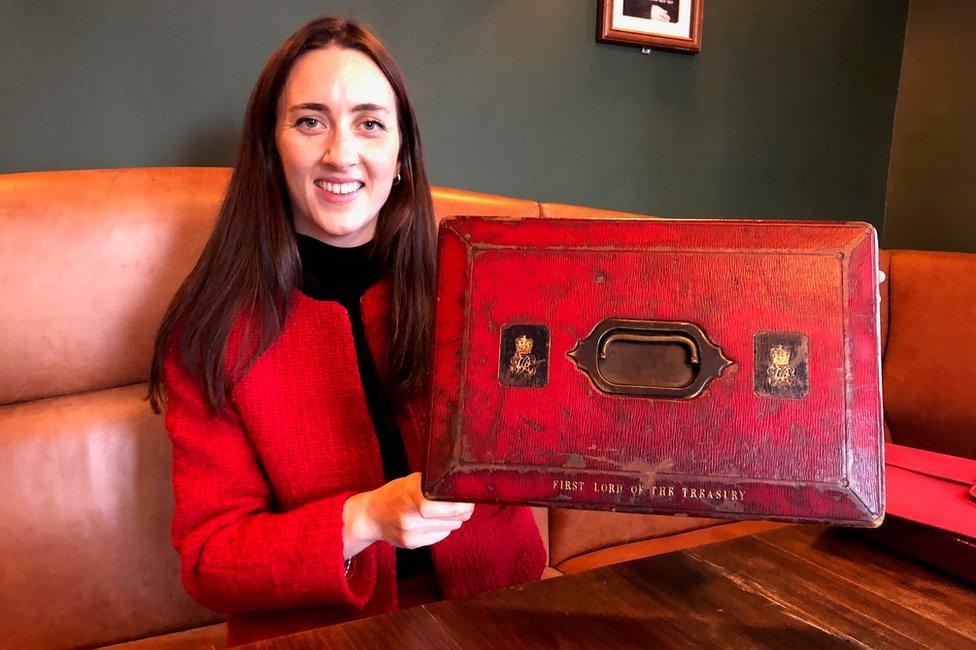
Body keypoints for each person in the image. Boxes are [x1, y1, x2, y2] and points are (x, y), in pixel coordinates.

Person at [147, 16, 546, 646]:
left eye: (369, 123)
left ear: (401, 156)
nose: (340, 153)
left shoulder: (474, 293)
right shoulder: (212, 334)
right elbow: (210, 560)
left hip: (501, 617)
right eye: (310, 121)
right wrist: (363, 519)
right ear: (270, 150)